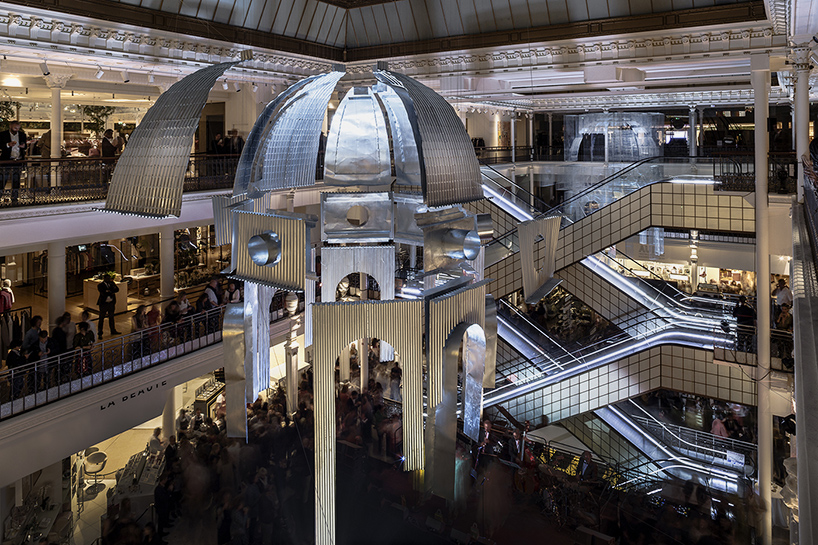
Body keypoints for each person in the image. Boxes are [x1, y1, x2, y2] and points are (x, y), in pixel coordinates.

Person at [0, 120, 28, 203]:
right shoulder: (3, 134)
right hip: (6, 160)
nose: (16, 129)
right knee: (2, 180)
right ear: (10, 126)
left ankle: (14, 198)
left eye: (18, 128)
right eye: (15, 128)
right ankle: (0, 195)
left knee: (16, 180)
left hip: (18, 160)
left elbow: (25, 146)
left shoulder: (22, 135)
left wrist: (23, 146)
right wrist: (8, 145)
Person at [97, 274, 120, 338]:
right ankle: (100, 333)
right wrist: (110, 291)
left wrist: (110, 291)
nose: (109, 280)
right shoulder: (100, 285)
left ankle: (113, 330)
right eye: (107, 278)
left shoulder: (112, 283)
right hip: (104, 304)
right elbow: (103, 293)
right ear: (104, 278)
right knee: (101, 318)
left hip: (111, 303)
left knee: (111, 317)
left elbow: (117, 289)